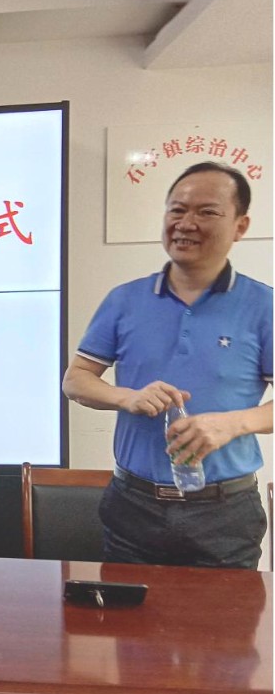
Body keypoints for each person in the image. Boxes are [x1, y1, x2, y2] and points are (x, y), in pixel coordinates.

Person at [63, 162, 272, 568]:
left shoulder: (264, 305)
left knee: (224, 613)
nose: (185, 223)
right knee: (128, 611)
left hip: (224, 513)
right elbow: (76, 380)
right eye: (177, 209)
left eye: (206, 212)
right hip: (133, 505)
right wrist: (127, 397)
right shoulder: (124, 300)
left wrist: (233, 424)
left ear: (240, 225)